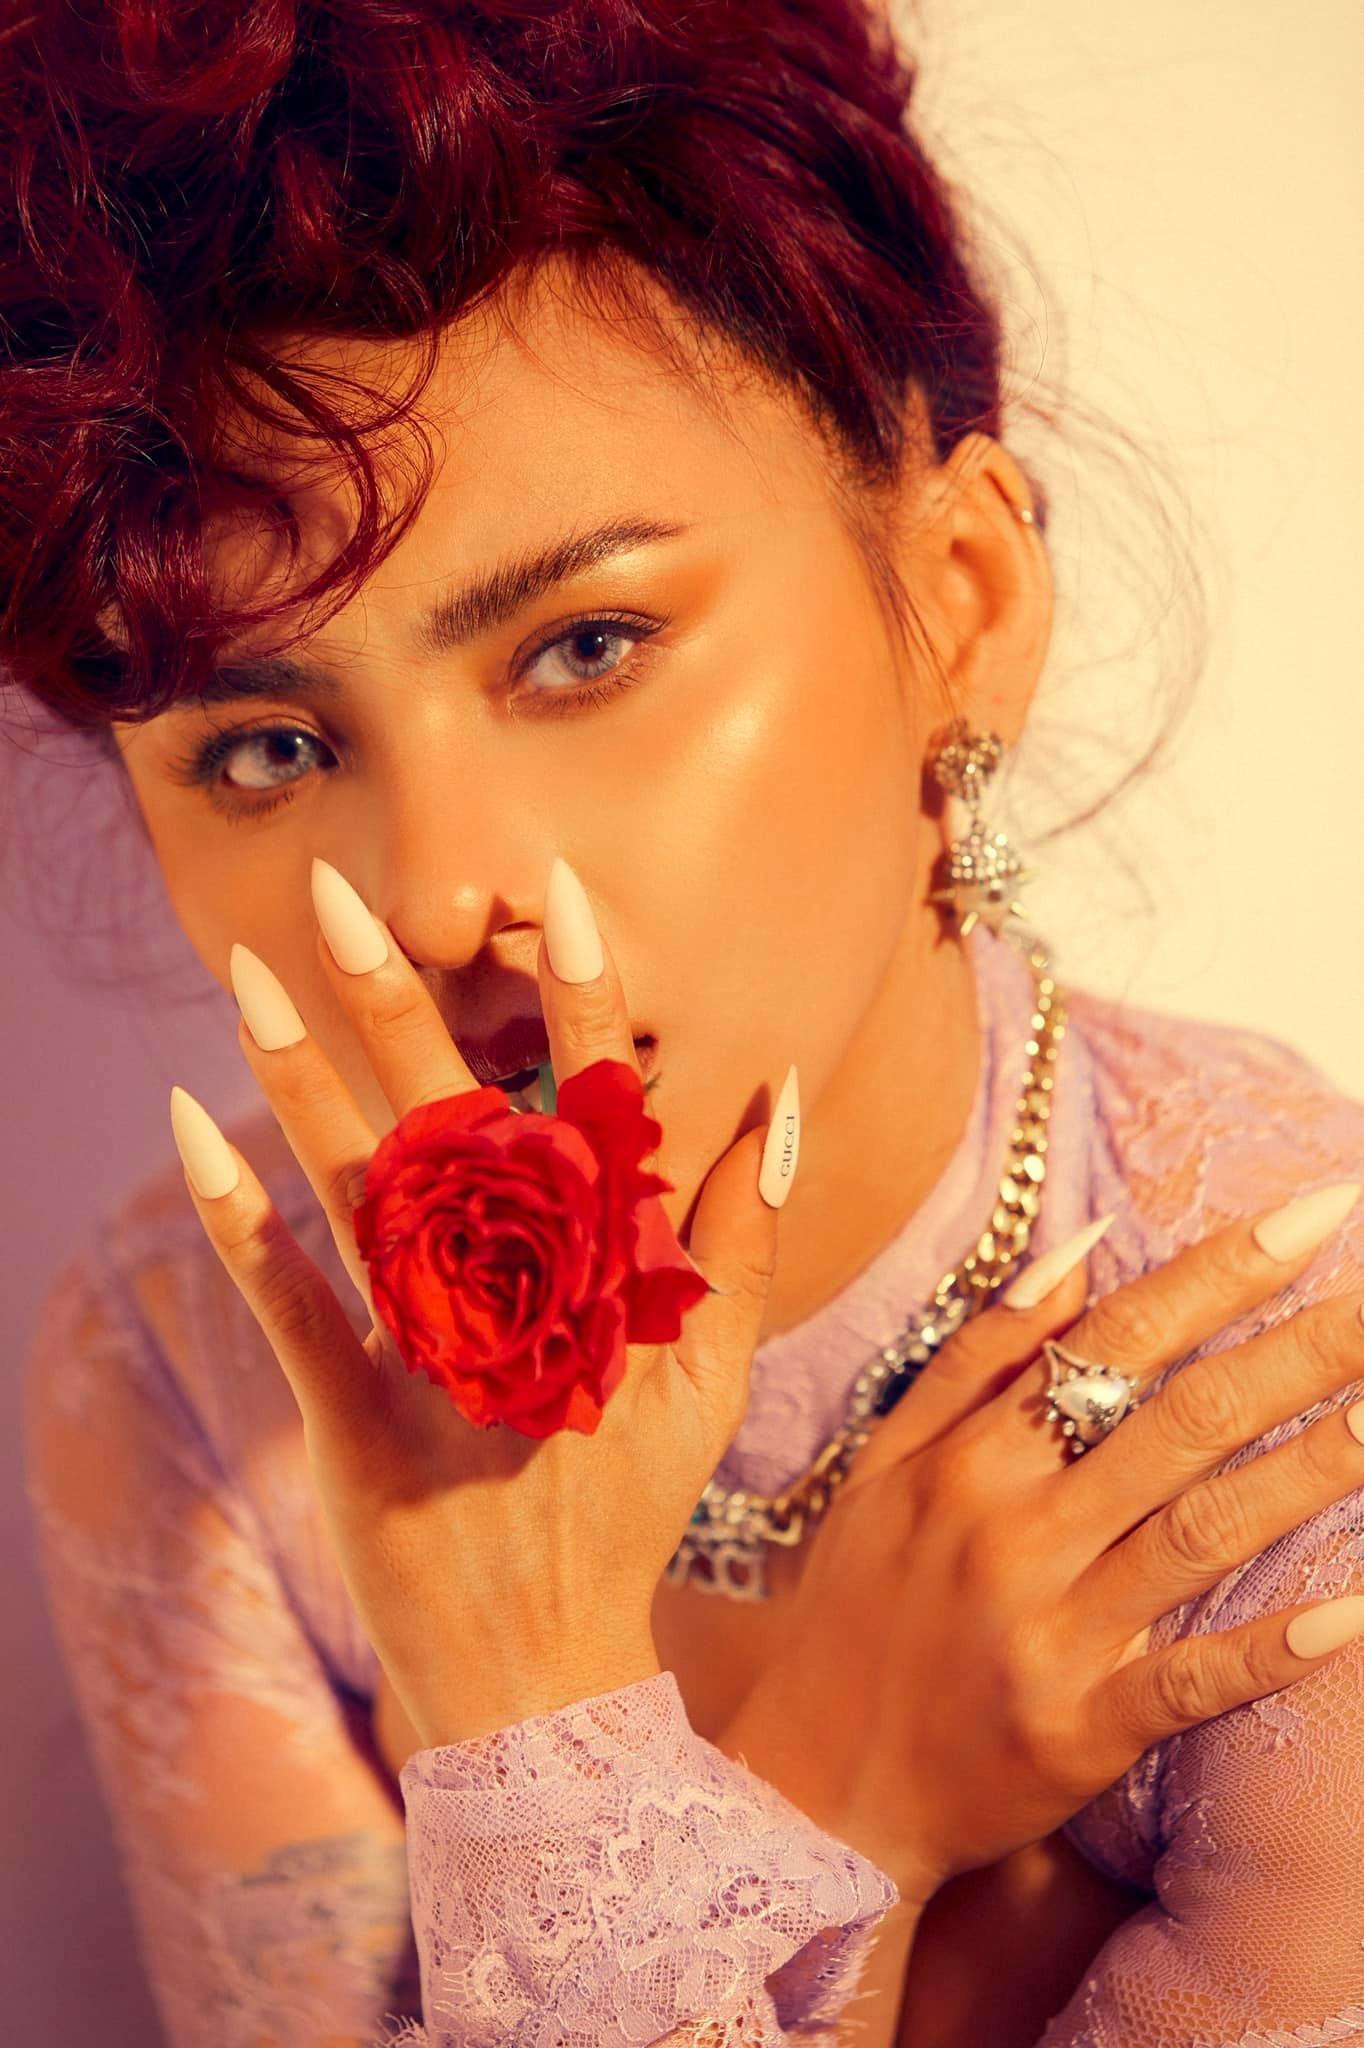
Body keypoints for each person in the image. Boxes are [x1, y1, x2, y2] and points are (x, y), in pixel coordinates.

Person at [6, 2, 1363, 2044]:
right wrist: (806, 1784)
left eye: (585, 645)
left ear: (966, 603)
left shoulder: (1289, 1415)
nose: (438, 896)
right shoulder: (186, 1378)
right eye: (267, 747)